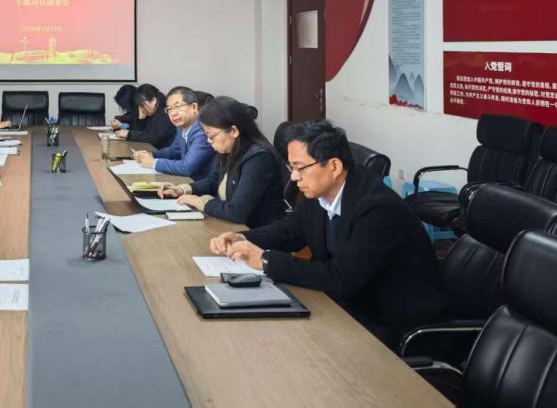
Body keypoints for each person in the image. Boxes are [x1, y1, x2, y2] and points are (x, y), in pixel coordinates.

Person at [209, 120, 445, 346]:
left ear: (334, 166)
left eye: (300, 168)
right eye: (291, 167)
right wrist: (243, 238)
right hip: (346, 306)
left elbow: (342, 277)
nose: (293, 177)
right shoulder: (321, 190)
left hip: (389, 321)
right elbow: (292, 230)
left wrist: (265, 260)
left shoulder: (377, 208)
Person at [158, 97, 285, 227]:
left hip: (254, 231)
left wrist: (200, 202)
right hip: (229, 226)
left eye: (211, 136)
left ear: (234, 131)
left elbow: (236, 212)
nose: (209, 141)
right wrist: (183, 189)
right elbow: (214, 181)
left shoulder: (258, 158)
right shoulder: (231, 148)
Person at [131, 86, 213, 179]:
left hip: (201, 184)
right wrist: (152, 154)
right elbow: (174, 151)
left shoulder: (203, 130)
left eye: (178, 106)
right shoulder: (181, 127)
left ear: (194, 107)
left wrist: (153, 163)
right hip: (186, 180)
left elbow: (186, 167)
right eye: (169, 109)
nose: (173, 113)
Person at [114, 83, 176, 149]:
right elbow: (143, 133)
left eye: (143, 105)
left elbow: (153, 138)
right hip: (152, 149)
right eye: (140, 106)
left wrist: (128, 134)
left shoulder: (165, 113)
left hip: (162, 152)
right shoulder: (153, 112)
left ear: (153, 100)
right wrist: (141, 119)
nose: (142, 109)